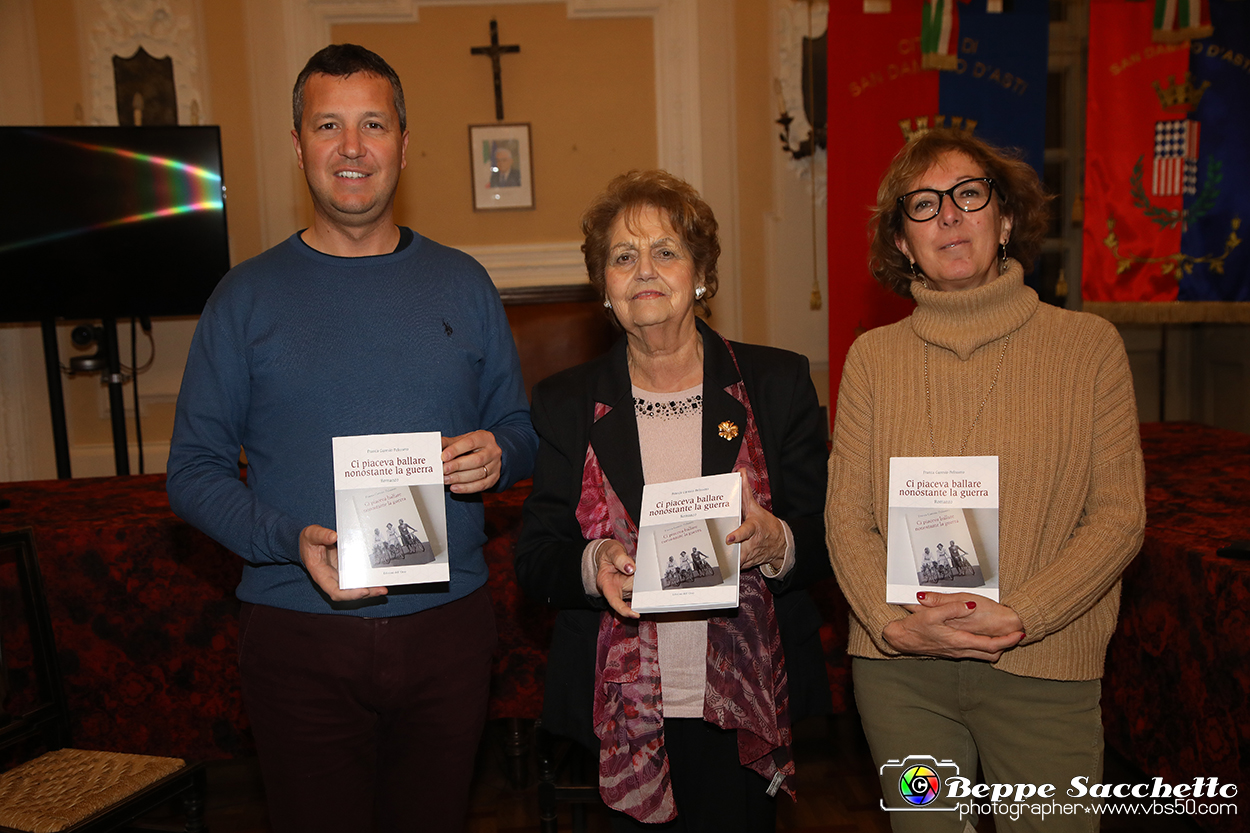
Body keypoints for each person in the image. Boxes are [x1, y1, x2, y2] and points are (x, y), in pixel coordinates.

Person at [166, 43, 537, 833]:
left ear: (404, 141)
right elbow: (192, 472)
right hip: (296, 630)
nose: (352, 146)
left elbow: (522, 428)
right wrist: (283, 538)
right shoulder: (244, 298)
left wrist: (502, 453)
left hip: (449, 628)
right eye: (328, 124)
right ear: (298, 146)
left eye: (373, 123)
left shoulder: (464, 283)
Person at [825, 128, 1145, 832]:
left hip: (1043, 666)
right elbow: (846, 517)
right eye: (922, 204)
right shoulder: (872, 360)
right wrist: (890, 626)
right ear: (902, 243)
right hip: (901, 676)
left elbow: (1120, 516)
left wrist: (1025, 612)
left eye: (968, 195)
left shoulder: (1088, 348)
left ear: (1004, 220)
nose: (948, 215)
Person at [515, 170, 832, 831]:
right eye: (623, 256)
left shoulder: (774, 384)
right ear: (604, 285)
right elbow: (536, 555)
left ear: (701, 272)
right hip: (626, 714)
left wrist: (777, 542)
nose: (644, 271)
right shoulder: (566, 401)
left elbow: (828, 537)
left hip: (742, 706)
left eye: (665, 250)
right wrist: (592, 559)